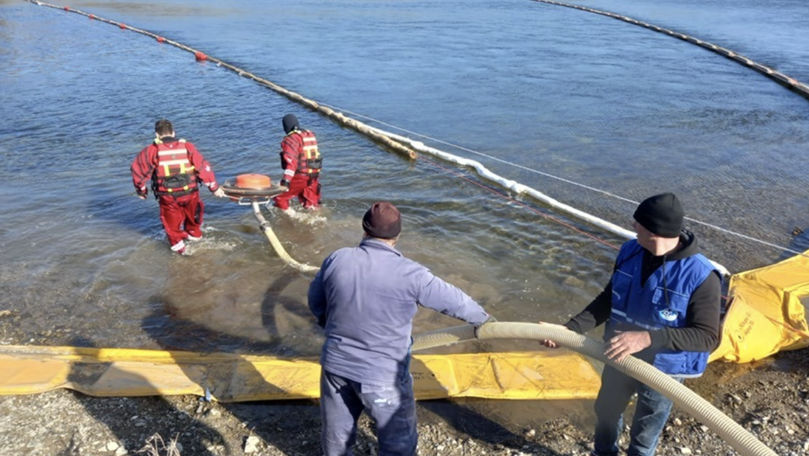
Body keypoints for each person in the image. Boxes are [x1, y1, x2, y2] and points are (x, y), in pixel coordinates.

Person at [543, 193, 721, 456]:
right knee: (605, 412)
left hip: (663, 371)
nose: (632, 227)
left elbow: (707, 337)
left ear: (654, 232)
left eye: (637, 224)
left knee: (646, 430)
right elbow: (607, 299)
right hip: (618, 355)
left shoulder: (701, 277)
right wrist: (570, 330)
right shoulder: (629, 252)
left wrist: (649, 338)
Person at [308, 201, 493, 456]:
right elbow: (457, 302)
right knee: (398, 440)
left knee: (336, 435)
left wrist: (326, 323)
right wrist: (487, 322)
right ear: (397, 235)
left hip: (335, 367)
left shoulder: (337, 258)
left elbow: (315, 300)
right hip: (382, 377)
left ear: (364, 229)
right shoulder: (412, 274)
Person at [131, 119, 225, 255]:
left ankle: (182, 253)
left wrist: (141, 191)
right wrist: (214, 188)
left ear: (157, 135)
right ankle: (196, 238)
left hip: (168, 197)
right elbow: (203, 167)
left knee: (172, 227)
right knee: (194, 220)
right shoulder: (187, 147)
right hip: (191, 193)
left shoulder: (151, 150)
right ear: (174, 133)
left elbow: (138, 171)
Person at [272, 113, 322, 211]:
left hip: (300, 176)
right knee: (311, 203)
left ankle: (291, 218)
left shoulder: (291, 139)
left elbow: (292, 162)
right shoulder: (309, 135)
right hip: (314, 175)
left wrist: (286, 181)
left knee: (279, 197)